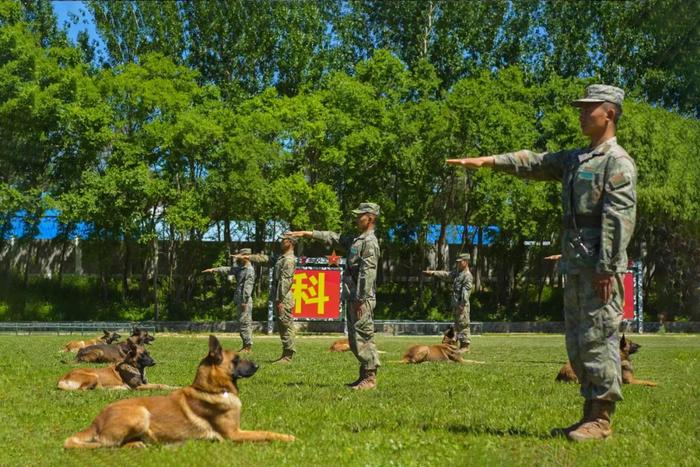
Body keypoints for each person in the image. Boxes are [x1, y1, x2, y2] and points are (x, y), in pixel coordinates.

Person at [446, 84, 637, 441]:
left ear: (609, 113)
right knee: (579, 342)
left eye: (588, 108)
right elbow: (534, 161)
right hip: (578, 265)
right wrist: (488, 162)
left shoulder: (617, 162)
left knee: (599, 338)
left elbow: (619, 219)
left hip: (599, 269)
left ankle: (601, 418)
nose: (581, 114)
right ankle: (588, 414)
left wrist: (607, 268)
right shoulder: (577, 158)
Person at [286, 202, 381, 390]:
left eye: (360, 215)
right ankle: (364, 375)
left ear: (370, 218)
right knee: (355, 339)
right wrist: (308, 233)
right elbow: (334, 237)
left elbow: (367, 272)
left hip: (362, 298)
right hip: (354, 296)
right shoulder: (357, 239)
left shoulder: (370, 242)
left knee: (363, 336)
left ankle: (370, 378)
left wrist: (361, 298)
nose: (356, 218)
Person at [202, 248, 268, 352]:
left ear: (246, 256)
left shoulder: (249, 270)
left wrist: (244, 301)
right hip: (241, 299)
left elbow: (248, 287)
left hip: (244, 300)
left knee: (245, 323)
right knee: (242, 323)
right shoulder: (241, 268)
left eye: (241, 255)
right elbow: (228, 269)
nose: (238, 257)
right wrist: (214, 269)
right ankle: (245, 345)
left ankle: (248, 346)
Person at [423, 253, 473, 352]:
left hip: (462, 305)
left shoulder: (467, 275)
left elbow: (466, 292)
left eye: (460, 262)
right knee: (457, 324)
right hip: (456, 304)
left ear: (466, 262)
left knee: (463, 324)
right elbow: (447, 275)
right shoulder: (458, 273)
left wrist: (462, 304)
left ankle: (465, 346)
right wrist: (433, 273)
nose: (458, 264)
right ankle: (458, 344)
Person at [270, 235, 298, 364]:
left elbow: (285, 281)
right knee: (283, 325)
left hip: (283, 297)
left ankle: (288, 355)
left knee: (286, 325)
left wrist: (280, 300)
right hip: (280, 296)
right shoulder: (282, 257)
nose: (281, 242)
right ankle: (285, 353)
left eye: (284, 240)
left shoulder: (289, 260)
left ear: (291, 242)